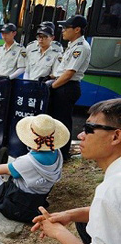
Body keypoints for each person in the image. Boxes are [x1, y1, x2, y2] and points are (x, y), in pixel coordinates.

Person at [31, 99, 121, 244]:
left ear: (116, 136)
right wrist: (70, 215)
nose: (81, 135)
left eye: (89, 129)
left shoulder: (112, 188)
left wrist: (58, 232)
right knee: (84, 222)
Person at [48, 15, 91, 161]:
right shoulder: (72, 45)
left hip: (67, 87)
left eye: (66, 28)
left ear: (77, 30)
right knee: (55, 119)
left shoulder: (80, 48)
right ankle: (55, 150)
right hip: (62, 84)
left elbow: (69, 73)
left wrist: (52, 87)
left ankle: (63, 153)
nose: (63, 31)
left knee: (63, 121)